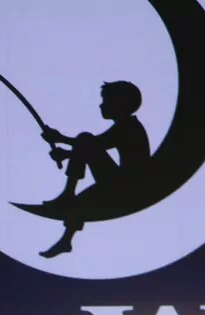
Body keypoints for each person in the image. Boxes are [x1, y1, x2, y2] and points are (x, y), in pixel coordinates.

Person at [38, 80, 150, 258]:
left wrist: (60, 139)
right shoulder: (126, 125)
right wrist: (67, 153)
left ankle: (67, 194)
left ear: (118, 104)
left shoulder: (128, 126)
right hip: (121, 183)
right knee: (80, 203)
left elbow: (94, 143)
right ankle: (66, 240)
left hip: (126, 186)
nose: (101, 105)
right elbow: (92, 148)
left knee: (84, 138)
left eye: (106, 101)